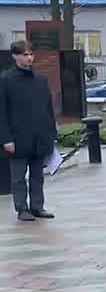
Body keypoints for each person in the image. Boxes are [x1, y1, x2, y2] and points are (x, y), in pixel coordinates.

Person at [1, 41, 57, 222]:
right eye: (24, 54)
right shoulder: (6, 80)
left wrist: (51, 134)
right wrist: (6, 139)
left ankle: (37, 206)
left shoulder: (40, 80)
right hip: (17, 137)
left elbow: (47, 109)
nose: (29, 58)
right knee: (18, 177)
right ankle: (22, 208)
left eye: (31, 54)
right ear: (15, 56)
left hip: (39, 136)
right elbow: (1, 112)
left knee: (37, 175)